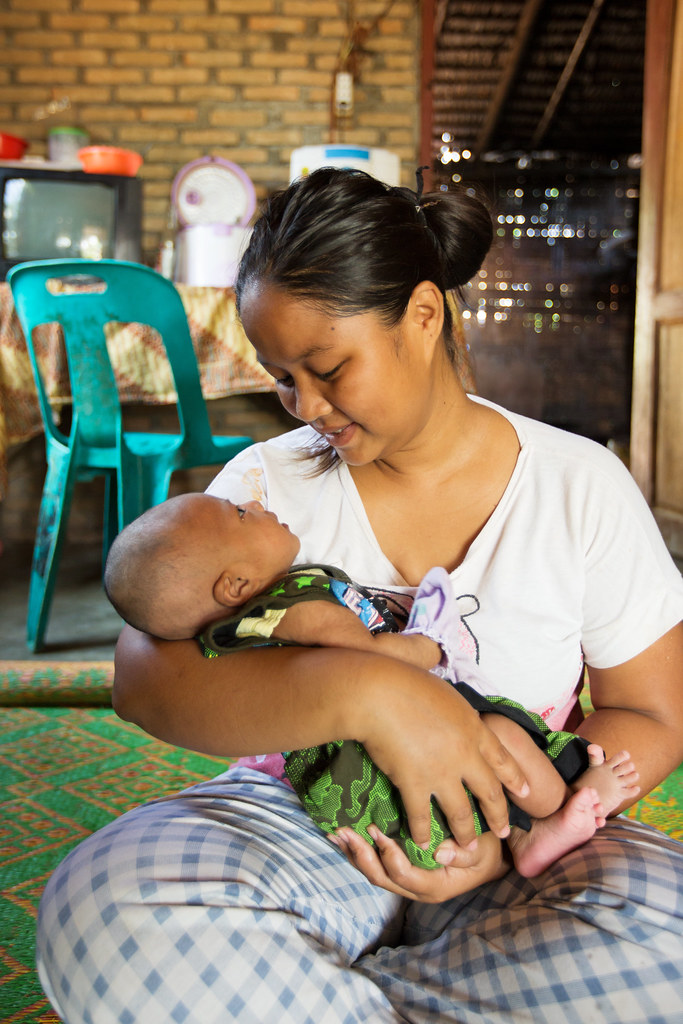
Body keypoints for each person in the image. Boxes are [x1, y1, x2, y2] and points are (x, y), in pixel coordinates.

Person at [36, 167, 683, 1024]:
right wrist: (371, 695)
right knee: (106, 913)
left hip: (520, 834)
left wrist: (509, 838)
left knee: (663, 942)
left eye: (327, 366)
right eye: (280, 377)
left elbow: (651, 716)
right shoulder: (264, 494)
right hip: (305, 818)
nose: (304, 405)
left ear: (423, 315)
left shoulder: (578, 487)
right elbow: (143, 680)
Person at [103, 491, 640, 880]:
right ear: (236, 583)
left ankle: (530, 833)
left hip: (360, 802)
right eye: (242, 515)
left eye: (331, 367)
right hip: (401, 774)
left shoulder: (240, 624)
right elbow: (367, 654)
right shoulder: (295, 607)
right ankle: (547, 821)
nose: (255, 503)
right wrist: (428, 644)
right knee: (504, 733)